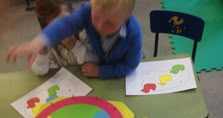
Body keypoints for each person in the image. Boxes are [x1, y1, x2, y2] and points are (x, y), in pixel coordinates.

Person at [6, 0, 142, 80]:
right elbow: (65, 24)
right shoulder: (87, 10)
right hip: (96, 69)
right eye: (96, 17)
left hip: (120, 76)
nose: (100, 27)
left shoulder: (133, 33)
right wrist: (38, 42)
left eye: (109, 23)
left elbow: (130, 66)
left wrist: (102, 71)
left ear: (126, 18)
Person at [31, 0, 93, 76]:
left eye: (66, 20)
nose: (64, 28)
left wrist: (74, 45)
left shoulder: (84, 32)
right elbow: (39, 71)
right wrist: (42, 53)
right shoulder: (47, 40)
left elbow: (94, 63)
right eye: (57, 27)